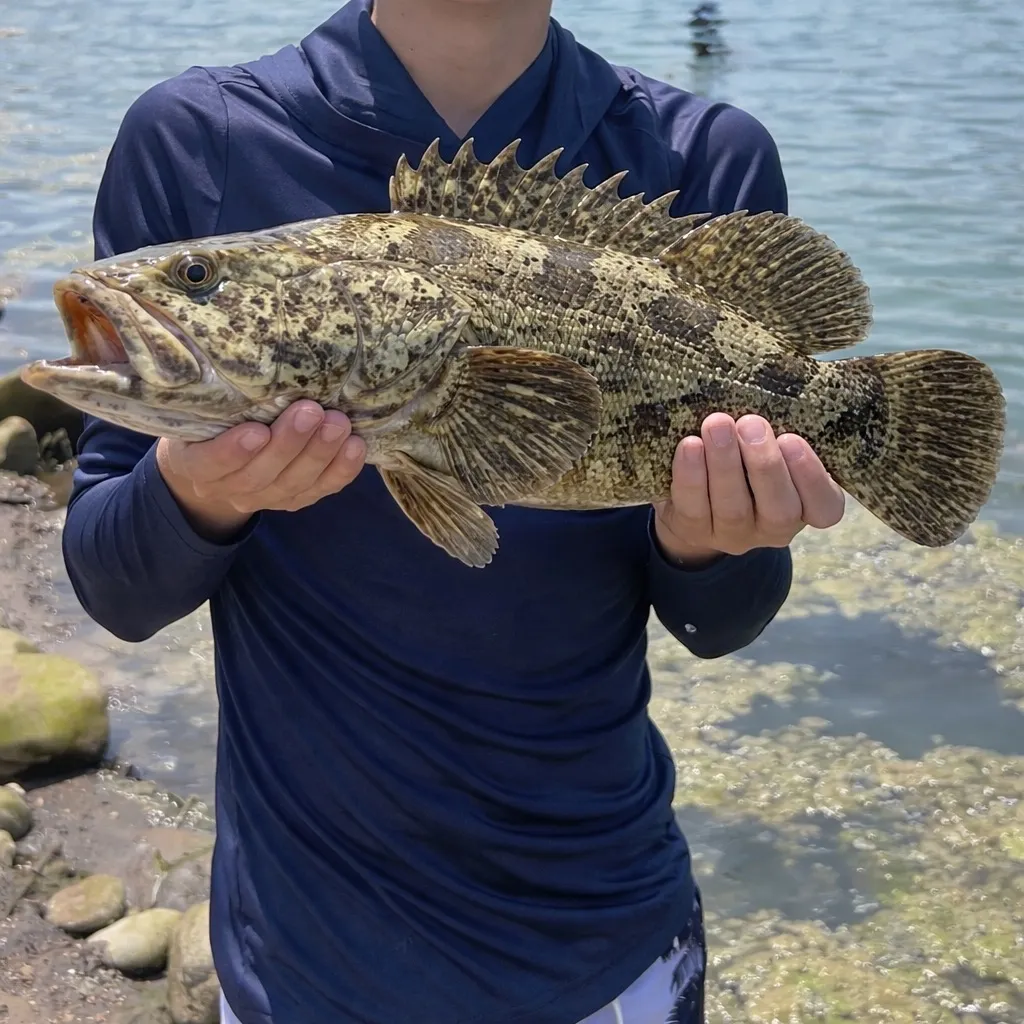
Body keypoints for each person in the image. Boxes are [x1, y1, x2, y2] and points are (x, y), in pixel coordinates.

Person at [62, 1, 846, 1021]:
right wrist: (198, 491)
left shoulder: (700, 156)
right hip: (304, 953)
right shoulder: (197, 139)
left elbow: (719, 617)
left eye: (203, 281)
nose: (191, 291)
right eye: (200, 280)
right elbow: (114, 586)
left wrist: (707, 541)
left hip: (604, 946)